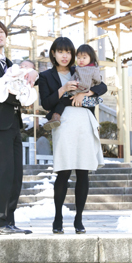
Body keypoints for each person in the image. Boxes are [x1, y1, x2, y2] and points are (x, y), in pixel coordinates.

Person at [38, 36, 107, 235]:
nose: (65, 56)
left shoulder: (81, 70)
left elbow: (102, 87)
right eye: (61, 52)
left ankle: (79, 219)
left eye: (69, 52)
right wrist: (63, 89)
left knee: (83, 170)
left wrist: (83, 94)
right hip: (63, 123)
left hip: (84, 121)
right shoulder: (46, 77)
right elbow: (46, 103)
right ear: (53, 53)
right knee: (64, 170)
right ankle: (58, 216)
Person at [0, 19, 38, 235]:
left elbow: (20, 85)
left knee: (15, 174)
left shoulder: (10, 63)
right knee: (5, 171)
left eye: (1, 32)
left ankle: (8, 221)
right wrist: (20, 95)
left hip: (13, 123)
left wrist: (31, 77)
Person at [44, 43, 103, 130]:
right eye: (78, 58)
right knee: (62, 100)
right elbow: (72, 79)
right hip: (73, 98)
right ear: (53, 53)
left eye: (84, 57)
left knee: (64, 101)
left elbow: (101, 84)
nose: (81, 60)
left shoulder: (93, 69)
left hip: (86, 100)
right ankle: (55, 117)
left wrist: (84, 93)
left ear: (91, 58)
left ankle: (94, 125)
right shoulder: (77, 69)